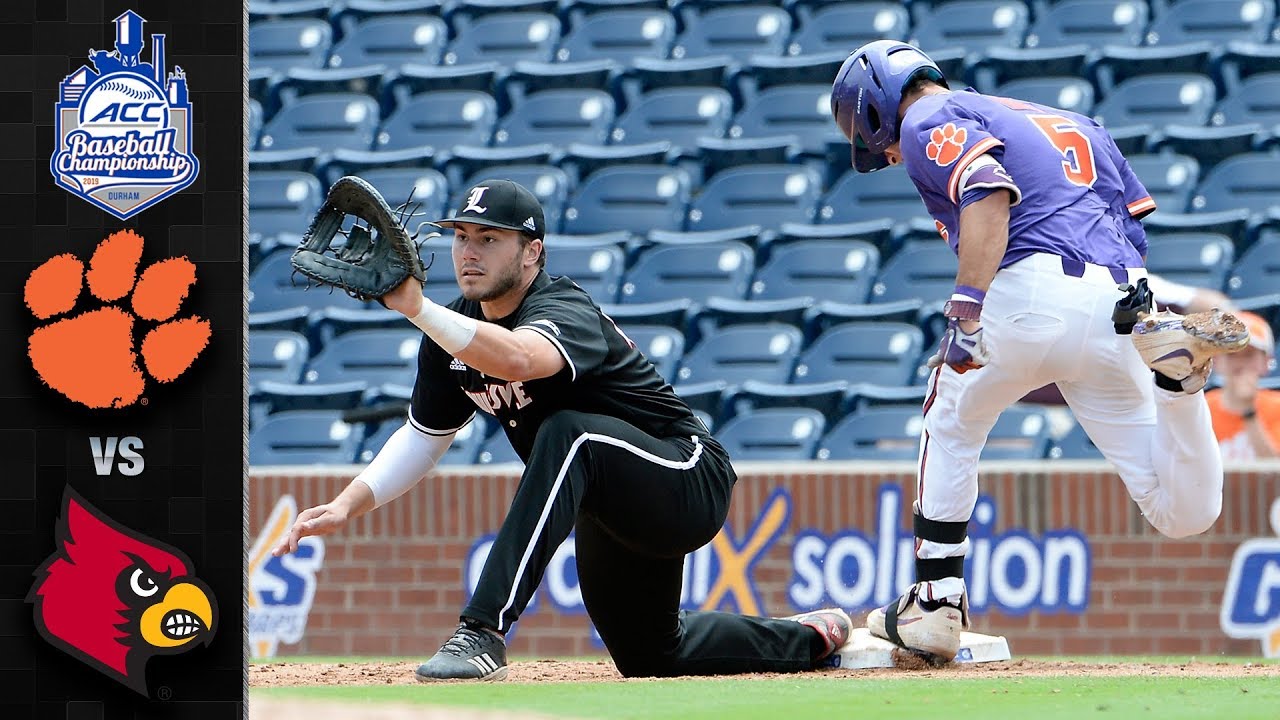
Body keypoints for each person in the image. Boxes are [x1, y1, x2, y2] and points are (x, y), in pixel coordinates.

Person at [271, 179, 850, 681]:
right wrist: (347, 504)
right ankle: (810, 639)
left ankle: (482, 631)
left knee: (568, 432)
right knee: (650, 653)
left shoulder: (561, 305)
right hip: (610, 499)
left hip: (686, 476)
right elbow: (425, 437)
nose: (468, 251)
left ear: (533, 252)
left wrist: (418, 309)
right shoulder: (451, 331)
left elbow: (520, 359)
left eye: (489, 239)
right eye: (461, 236)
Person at [829, 40, 1251, 661]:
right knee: (1182, 512)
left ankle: (937, 601)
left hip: (1026, 287)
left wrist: (966, 309)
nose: (886, 155)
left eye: (874, 141)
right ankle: (1179, 385)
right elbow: (1130, 228)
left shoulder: (925, 114)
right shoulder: (1071, 120)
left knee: (950, 418)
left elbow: (985, 189)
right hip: (1120, 302)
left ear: (875, 106)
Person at [1206, 310, 1280, 460]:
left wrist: (1249, 411)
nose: (1240, 363)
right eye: (1231, 354)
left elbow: (1274, 470)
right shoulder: (1203, 408)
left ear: (1266, 361)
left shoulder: (1277, 407)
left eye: (1249, 354)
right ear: (1217, 361)